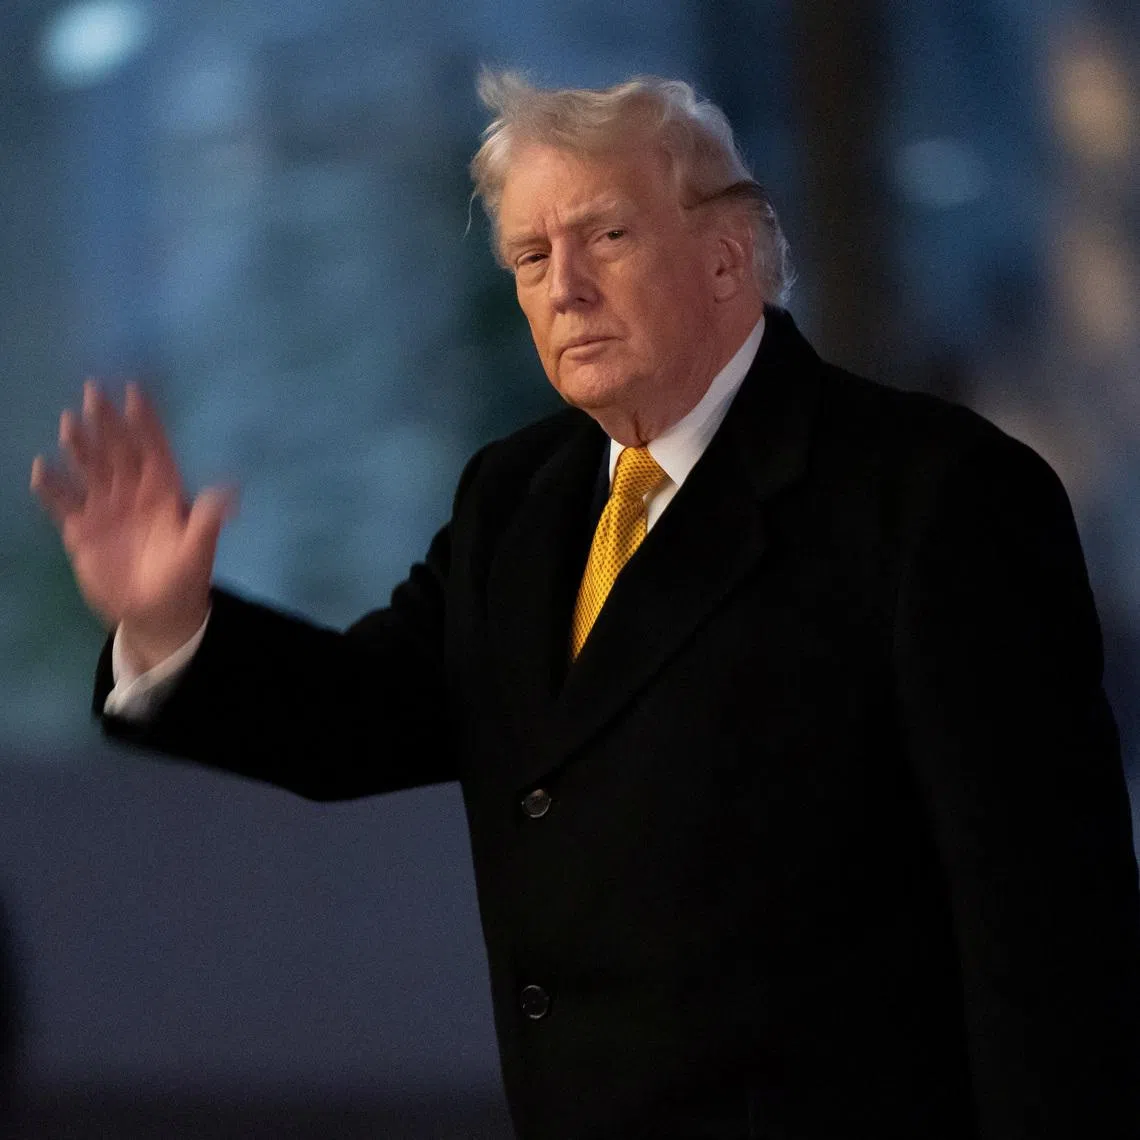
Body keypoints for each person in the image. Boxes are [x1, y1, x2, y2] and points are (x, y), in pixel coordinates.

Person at [31, 72, 1140, 1140]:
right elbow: (360, 717)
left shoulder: (933, 495)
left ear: (726, 256)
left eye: (604, 236)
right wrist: (169, 623)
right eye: (529, 255)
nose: (562, 287)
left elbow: (1048, 933)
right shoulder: (519, 497)